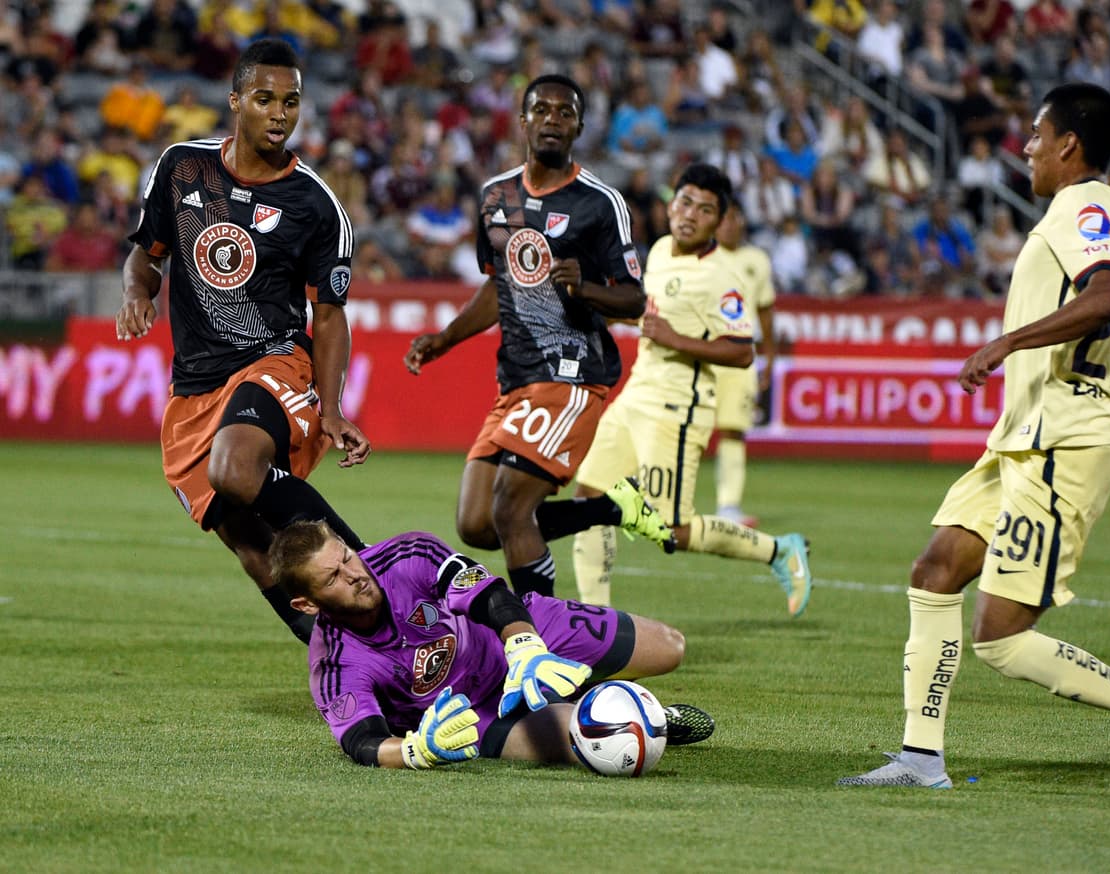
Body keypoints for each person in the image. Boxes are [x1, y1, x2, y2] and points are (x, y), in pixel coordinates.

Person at [840, 83, 1110, 794]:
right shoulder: (1107, 224)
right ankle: (921, 759)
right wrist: (1098, 414)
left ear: (1069, 144)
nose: (1028, 147)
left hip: (1054, 443)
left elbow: (1103, 297)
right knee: (935, 570)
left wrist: (1015, 351)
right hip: (1026, 440)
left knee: (1002, 636)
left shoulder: (1090, 208)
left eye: (1037, 134)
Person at [116, 39, 371, 644]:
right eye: (265, 99)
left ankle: (383, 571)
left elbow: (329, 316)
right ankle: (343, 658)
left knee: (234, 469)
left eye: (291, 101)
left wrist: (332, 408)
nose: (280, 113)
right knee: (253, 545)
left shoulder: (315, 203)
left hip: (277, 365)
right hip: (196, 388)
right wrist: (137, 291)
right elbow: (144, 256)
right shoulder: (181, 167)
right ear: (236, 102)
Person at [403, 74, 673, 600]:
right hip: (516, 378)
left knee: (510, 505)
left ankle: (546, 640)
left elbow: (635, 300)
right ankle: (612, 508)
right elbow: (495, 283)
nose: (553, 119)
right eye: (542, 109)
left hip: (573, 374)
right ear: (523, 120)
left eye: (565, 112)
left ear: (579, 126)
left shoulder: (600, 203)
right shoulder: (494, 195)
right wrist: (446, 338)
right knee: (477, 523)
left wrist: (587, 288)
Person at [268, 519, 714, 768]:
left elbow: (487, 593)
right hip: (476, 713)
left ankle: (568, 685)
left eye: (346, 556)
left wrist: (525, 647)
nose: (354, 575)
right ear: (307, 604)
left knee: (669, 648)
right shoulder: (335, 664)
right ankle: (634, 714)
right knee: (591, 742)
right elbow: (362, 741)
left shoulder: (406, 554)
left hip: (510, 636)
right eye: (333, 578)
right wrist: (414, 751)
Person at [572, 163, 813, 617]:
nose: (690, 215)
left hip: (677, 408)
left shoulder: (721, 277)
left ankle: (779, 550)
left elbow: (743, 350)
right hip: (638, 392)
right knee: (588, 496)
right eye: (685, 202)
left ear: (718, 222)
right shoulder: (661, 249)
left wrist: (674, 340)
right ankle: (594, 621)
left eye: (705, 210)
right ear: (670, 203)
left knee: (670, 531)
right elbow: (651, 313)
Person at [711, 198, 777, 527]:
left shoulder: (757, 260)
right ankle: (665, 499)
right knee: (684, 427)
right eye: (724, 218)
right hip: (704, 348)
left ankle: (728, 507)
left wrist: (769, 356)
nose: (730, 224)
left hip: (741, 354)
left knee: (733, 429)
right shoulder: (701, 255)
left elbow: (765, 310)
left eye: (735, 217)